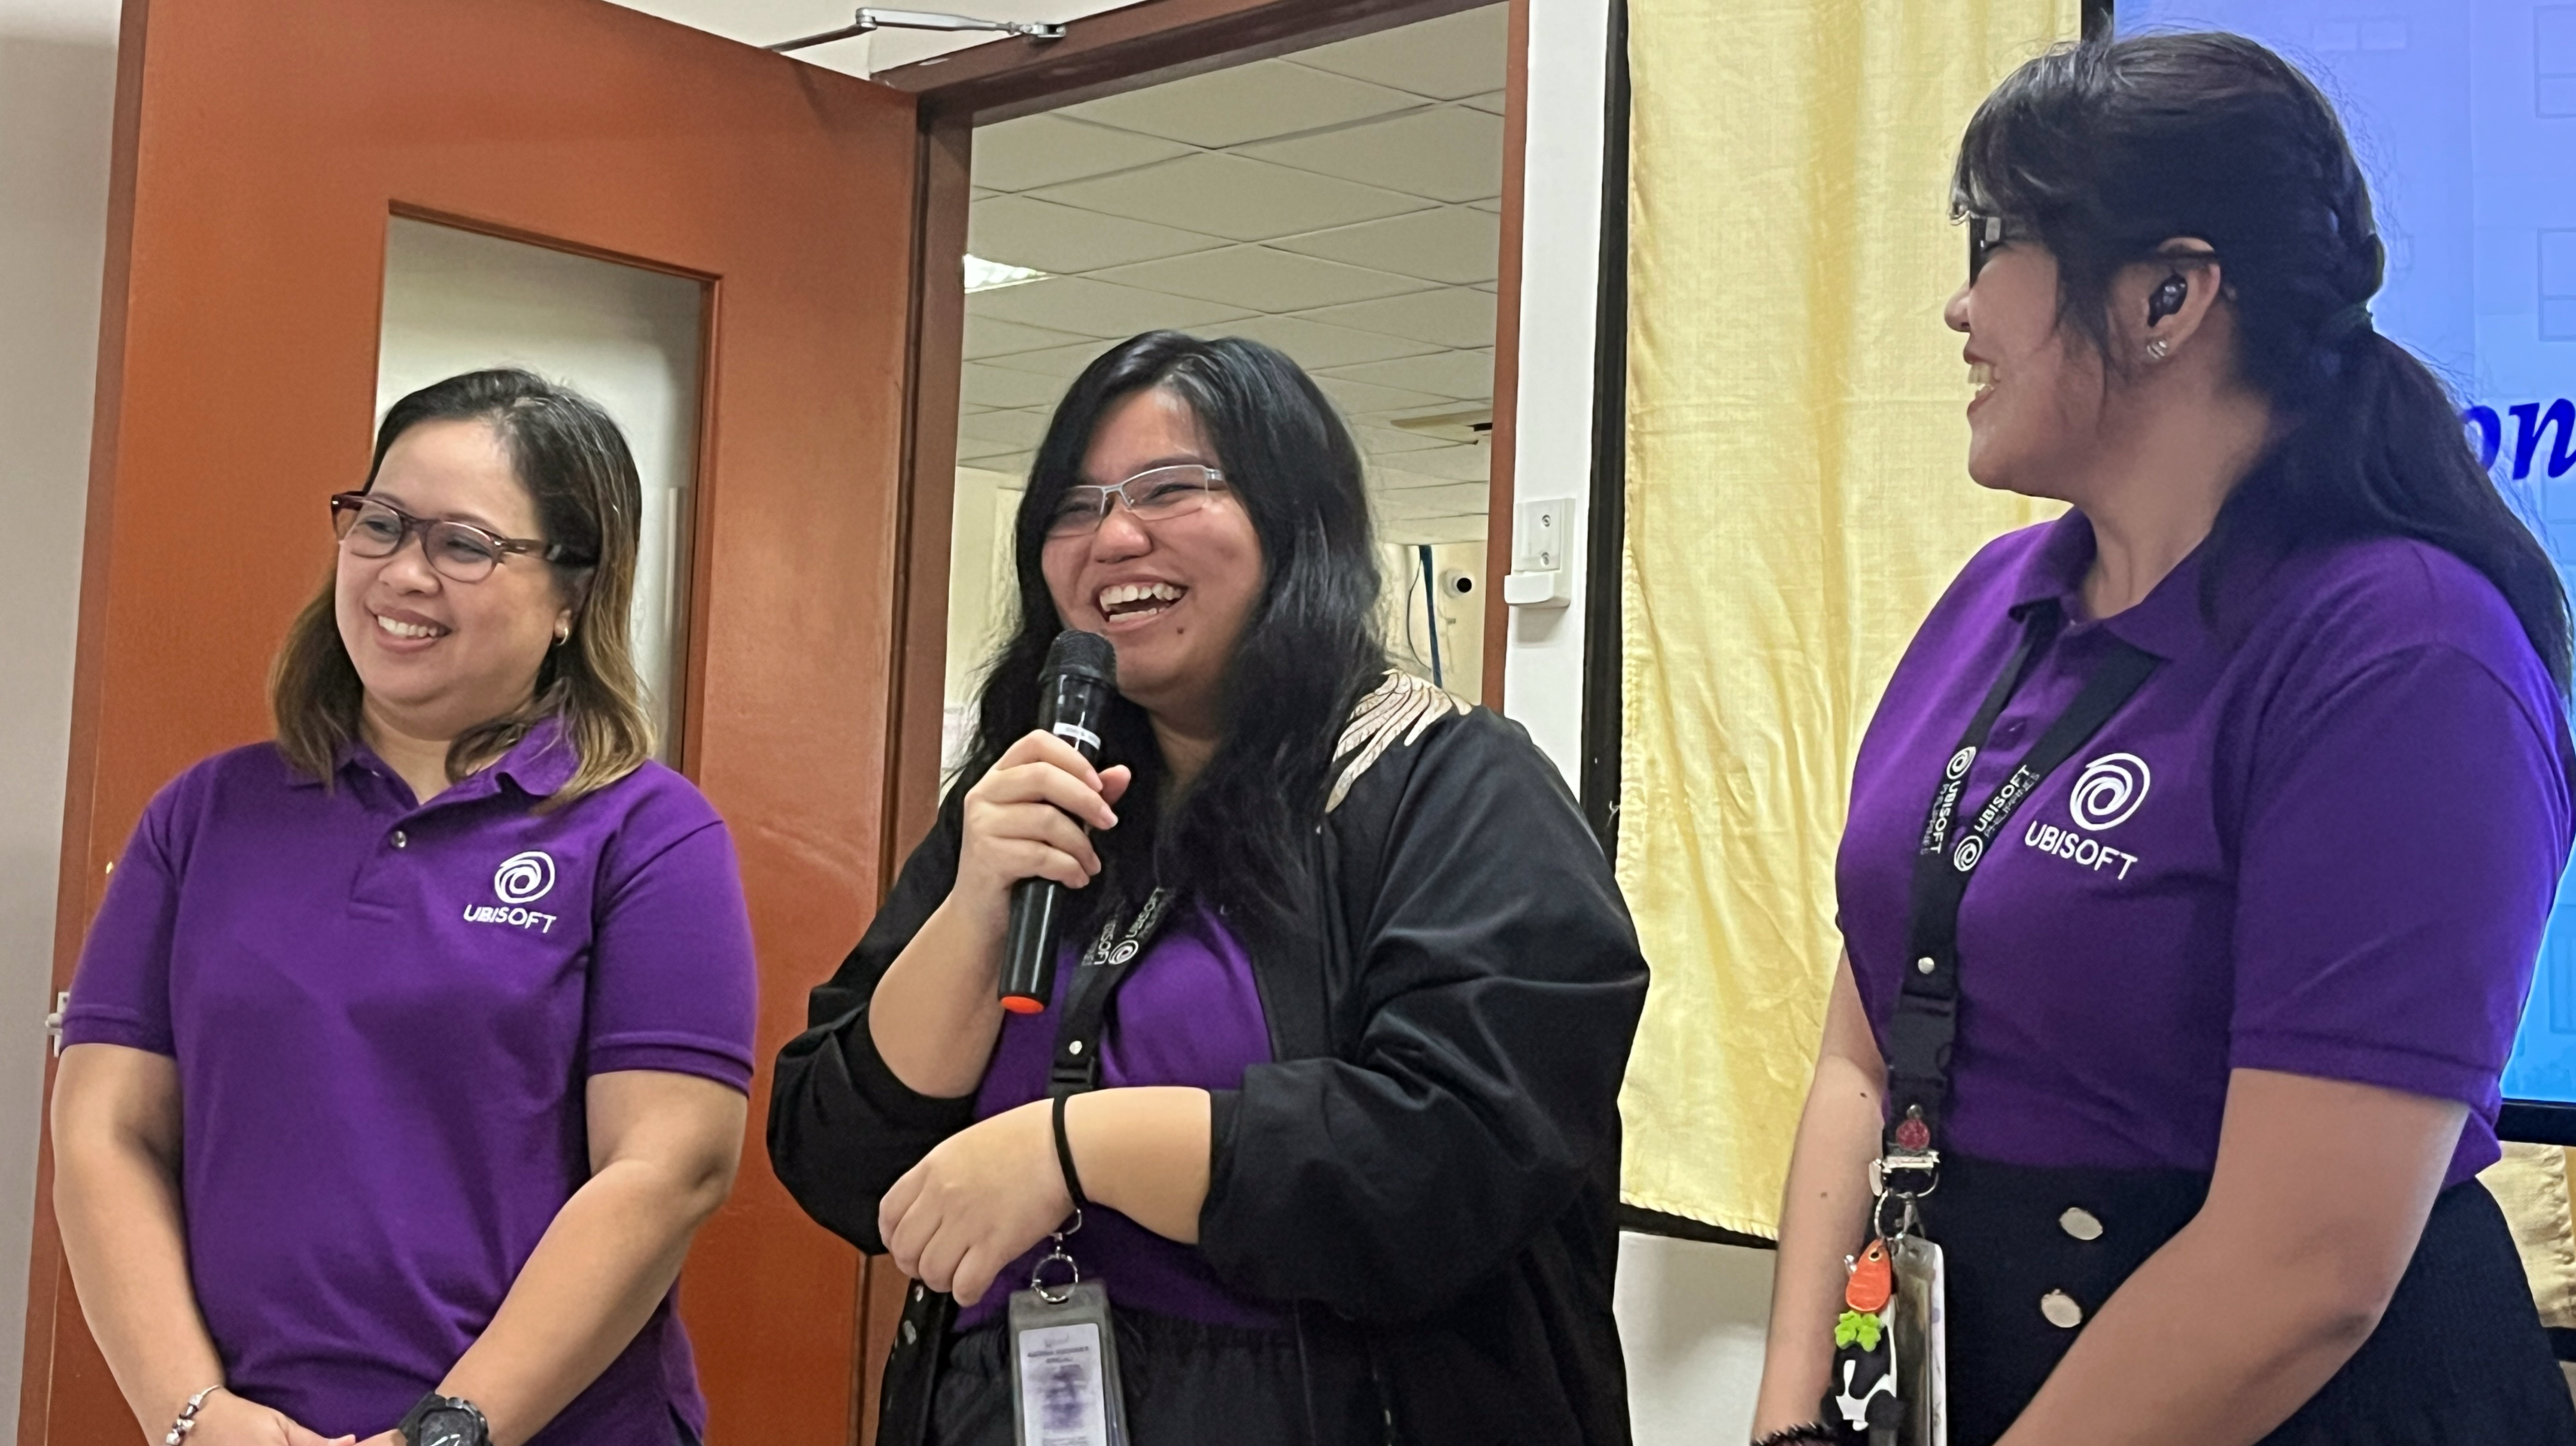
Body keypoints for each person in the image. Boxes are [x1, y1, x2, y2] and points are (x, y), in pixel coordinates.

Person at [1749, 33, 2576, 1446]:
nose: (1960, 308)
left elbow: (2302, 1271)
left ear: (2171, 293)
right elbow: (1862, 1051)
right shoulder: (1993, 604)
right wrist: (1793, 1418)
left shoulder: (2402, 647)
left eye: (1995, 243)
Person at [768, 331, 1647, 1445]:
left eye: (1171, 488)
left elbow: (1456, 1161)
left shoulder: (1449, 782)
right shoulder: (1026, 797)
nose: (1115, 536)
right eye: (1074, 505)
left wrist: (1075, 1148)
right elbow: (843, 1164)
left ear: (1294, 519)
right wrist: (977, 904)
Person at [52, 369, 759, 1446]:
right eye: (379, 523)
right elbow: (106, 1126)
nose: (402, 573)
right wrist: (193, 1416)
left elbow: (667, 1167)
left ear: (573, 595)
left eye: (464, 544)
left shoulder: (646, 834)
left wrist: (452, 1429)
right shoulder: (206, 816)